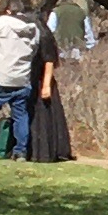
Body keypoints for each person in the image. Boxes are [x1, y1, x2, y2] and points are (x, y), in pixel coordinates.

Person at [0, 1, 44, 159]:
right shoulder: (35, 29)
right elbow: (34, 51)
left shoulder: (1, 22)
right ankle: (20, 151)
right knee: (20, 115)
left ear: (8, 11)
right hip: (21, 78)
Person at [28, 22, 78, 164]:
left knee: (44, 118)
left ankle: (45, 152)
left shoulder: (43, 35)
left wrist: (45, 85)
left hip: (42, 80)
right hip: (30, 80)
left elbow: (49, 61)